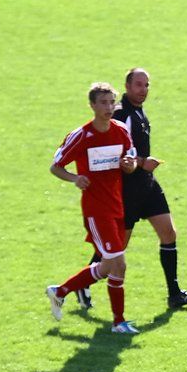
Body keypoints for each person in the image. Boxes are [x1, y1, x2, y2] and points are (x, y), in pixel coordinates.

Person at [76, 68, 187, 311]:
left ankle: (175, 294)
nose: (143, 90)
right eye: (138, 85)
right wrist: (142, 162)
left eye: (146, 85)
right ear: (127, 86)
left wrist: (144, 165)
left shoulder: (138, 111)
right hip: (127, 192)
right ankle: (84, 282)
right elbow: (112, 153)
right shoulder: (120, 114)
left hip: (148, 186)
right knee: (116, 249)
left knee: (169, 233)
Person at [47, 82, 139, 334]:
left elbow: (130, 162)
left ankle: (60, 291)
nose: (109, 107)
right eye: (103, 103)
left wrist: (129, 165)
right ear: (92, 105)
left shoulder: (121, 130)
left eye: (111, 102)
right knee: (119, 264)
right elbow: (56, 167)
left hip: (116, 205)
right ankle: (118, 322)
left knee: (107, 266)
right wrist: (75, 178)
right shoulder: (81, 135)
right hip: (96, 210)